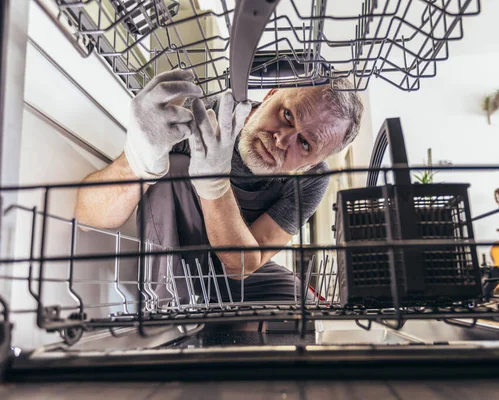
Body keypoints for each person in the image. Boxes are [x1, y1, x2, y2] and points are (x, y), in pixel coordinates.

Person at [74, 69, 363, 305]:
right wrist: (138, 160)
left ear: (310, 165)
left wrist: (214, 185)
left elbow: (244, 265)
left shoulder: (312, 180)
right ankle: (167, 317)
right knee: (174, 169)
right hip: (174, 266)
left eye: (304, 143)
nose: (281, 139)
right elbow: (87, 220)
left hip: (231, 273)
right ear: (271, 95)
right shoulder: (203, 120)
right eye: (287, 115)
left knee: (303, 306)